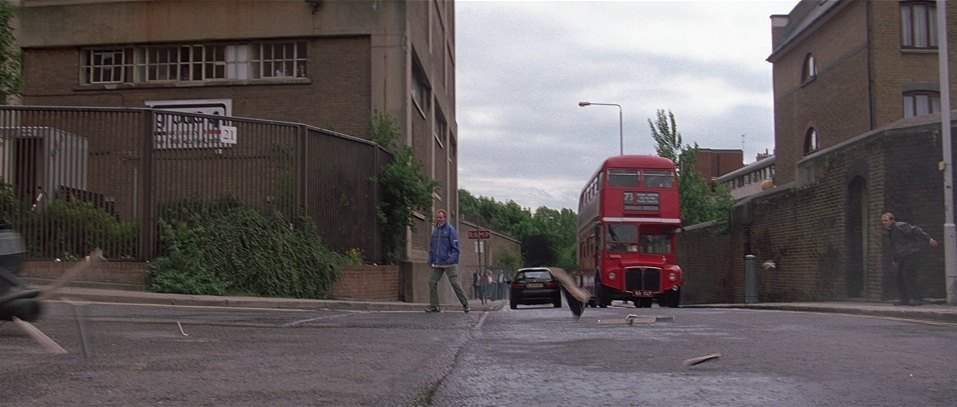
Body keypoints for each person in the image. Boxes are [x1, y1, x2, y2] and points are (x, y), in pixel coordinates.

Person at [881, 212, 939, 306]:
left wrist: (929, 239)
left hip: (910, 254)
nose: (884, 223)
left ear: (892, 220)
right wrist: (895, 259)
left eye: (886, 220)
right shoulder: (890, 231)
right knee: (899, 277)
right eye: (883, 221)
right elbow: (895, 246)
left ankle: (916, 299)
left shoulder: (900, 226)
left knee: (908, 275)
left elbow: (916, 230)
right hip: (901, 256)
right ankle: (904, 299)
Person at [426, 209, 469, 313]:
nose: (439, 219)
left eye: (441, 217)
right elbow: (432, 247)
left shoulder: (450, 230)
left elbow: (456, 248)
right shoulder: (435, 231)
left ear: (445, 218)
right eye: (438, 217)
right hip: (438, 263)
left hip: (449, 263)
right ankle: (434, 306)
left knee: (454, 283)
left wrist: (451, 259)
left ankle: (465, 304)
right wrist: (430, 259)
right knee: (432, 282)